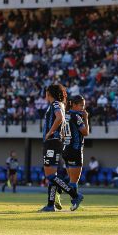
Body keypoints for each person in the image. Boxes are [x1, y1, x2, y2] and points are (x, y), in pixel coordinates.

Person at [40, 84, 80, 213]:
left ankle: (75, 195)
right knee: (53, 175)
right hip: (56, 141)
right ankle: (50, 205)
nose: (45, 95)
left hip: (52, 141)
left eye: (46, 92)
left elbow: (60, 118)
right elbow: (62, 120)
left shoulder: (55, 104)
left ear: (49, 93)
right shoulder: (60, 104)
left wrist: (49, 132)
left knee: (50, 175)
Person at [63, 95, 89, 211]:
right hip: (75, 149)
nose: (83, 108)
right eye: (81, 105)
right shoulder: (76, 116)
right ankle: (62, 193)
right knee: (74, 181)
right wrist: (86, 118)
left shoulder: (65, 114)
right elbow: (85, 132)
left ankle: (75, 203)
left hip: (66, 148)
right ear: (74, 104)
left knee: (71, 179)